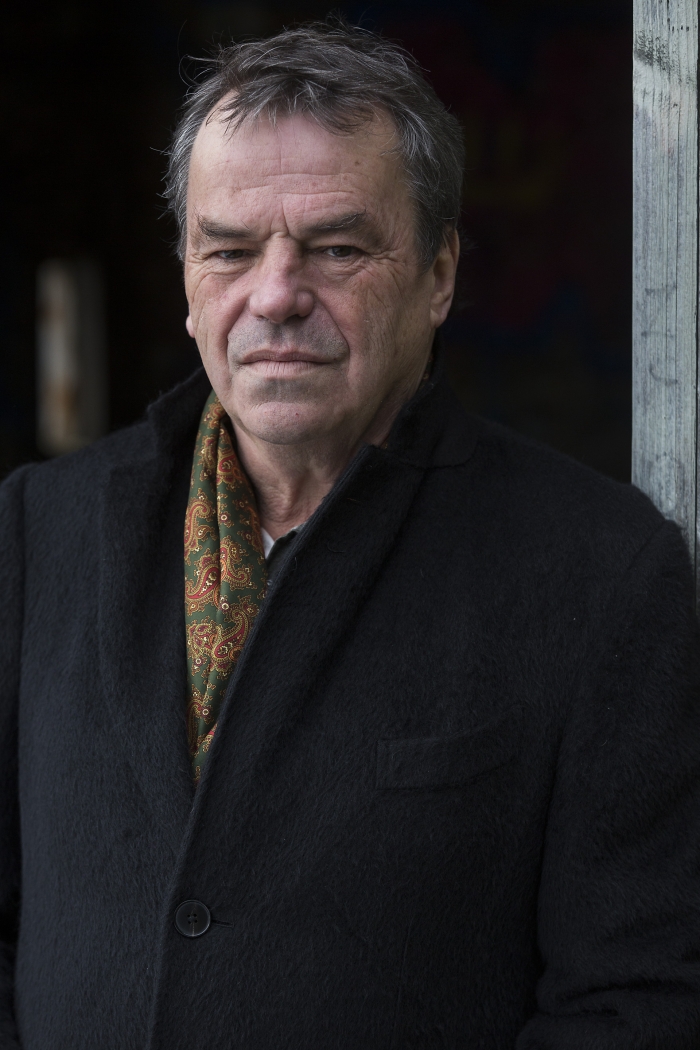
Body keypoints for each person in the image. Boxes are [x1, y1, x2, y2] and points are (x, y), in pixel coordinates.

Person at [1, 20, 700, 1050]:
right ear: (187, 278)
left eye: (336, 248)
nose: (276, 296)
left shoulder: (602, 574)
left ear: (438, 275)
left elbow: (632, 1001)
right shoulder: (36, 530)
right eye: (230, 250)